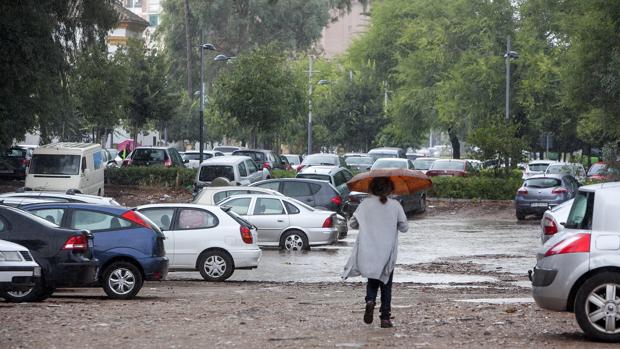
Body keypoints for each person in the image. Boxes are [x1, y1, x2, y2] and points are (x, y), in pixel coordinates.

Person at [342, 177, 409, 328]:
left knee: (372, 279)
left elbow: (352, 224)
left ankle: (370, 300)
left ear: (372, 188)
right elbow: (405, 228)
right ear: (390, 189)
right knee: (386, 285)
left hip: (368, 249)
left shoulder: (365, 204)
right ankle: (385, 318)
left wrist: (366, 223)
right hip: (387, 252)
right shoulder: (395, 205)